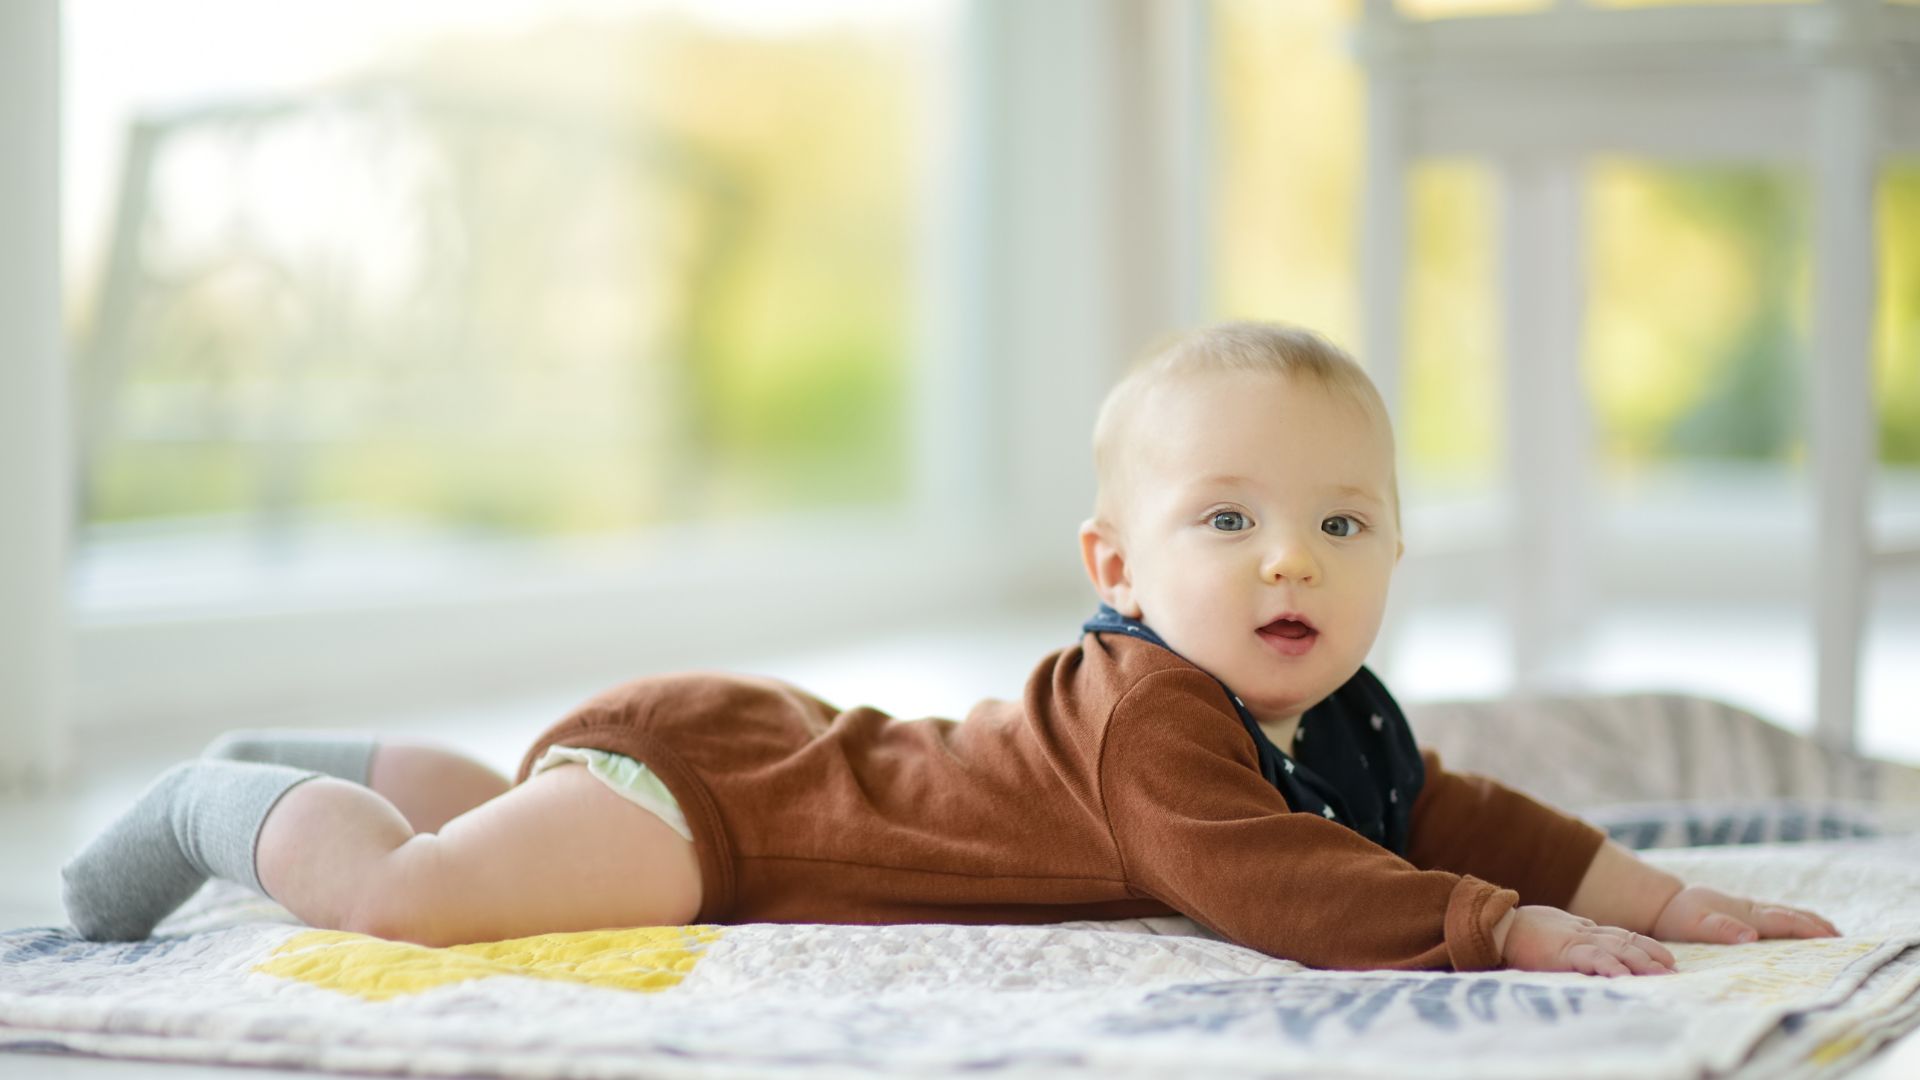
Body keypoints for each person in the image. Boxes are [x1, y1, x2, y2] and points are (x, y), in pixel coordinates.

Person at [61, 321, 1840, 975]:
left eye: (1341, 523)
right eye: (1226, 520)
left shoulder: (1337, 709)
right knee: (418, 904)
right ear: (1117, 565)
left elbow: (1447, 810)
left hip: (736, 757)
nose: (1289, 555)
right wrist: (1501, 934)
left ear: (1391, 550)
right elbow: (1278, 885)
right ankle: (222, 800)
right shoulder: (1156, 718)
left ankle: (352, 763)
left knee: (501, 834)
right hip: (722, 816)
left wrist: (1659, 899)